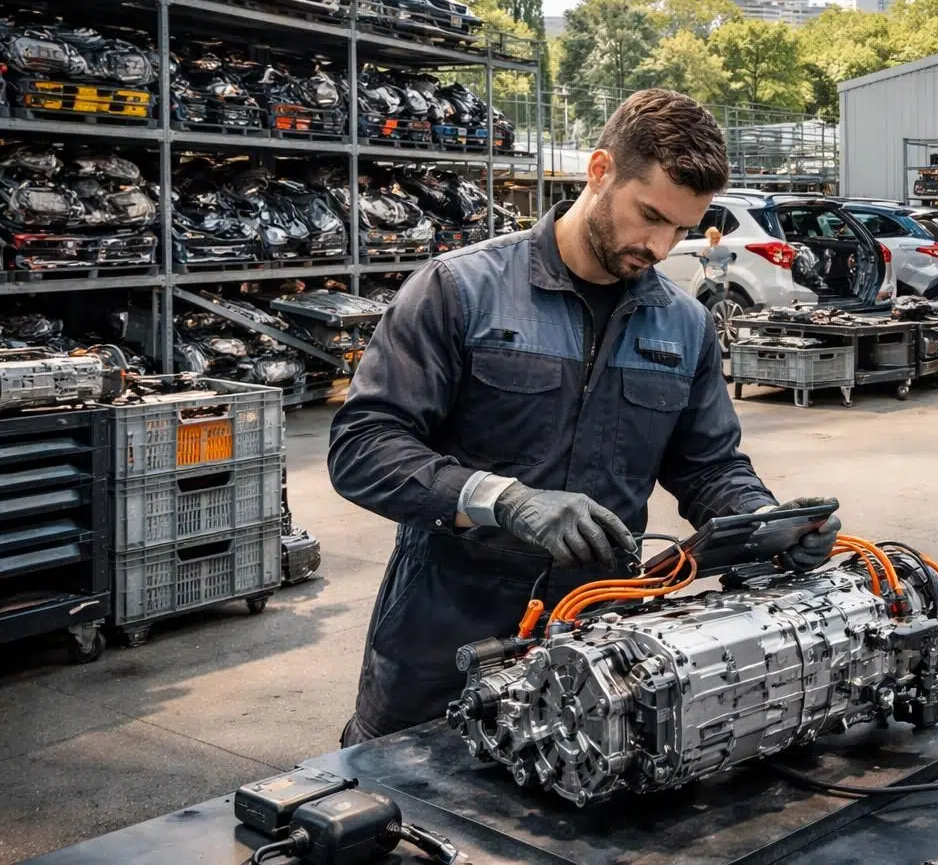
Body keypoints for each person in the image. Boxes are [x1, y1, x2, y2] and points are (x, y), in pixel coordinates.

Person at [328, 89, 840, 746]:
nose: (660, 246)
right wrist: (501, 499)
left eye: (682, 229)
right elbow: (363, 448)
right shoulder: (460, 291)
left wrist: (767, 523)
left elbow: (709, 466)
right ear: (599, 171)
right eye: (650, 215)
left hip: (601, 655)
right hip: (442, 645)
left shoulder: (683, 326)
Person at [695, 225, 735, 299]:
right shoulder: (707, 250)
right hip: (711, 277)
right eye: (713, 238)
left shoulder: (723, 249)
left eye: (717, 238)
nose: (716, 240)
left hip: (719, 278)